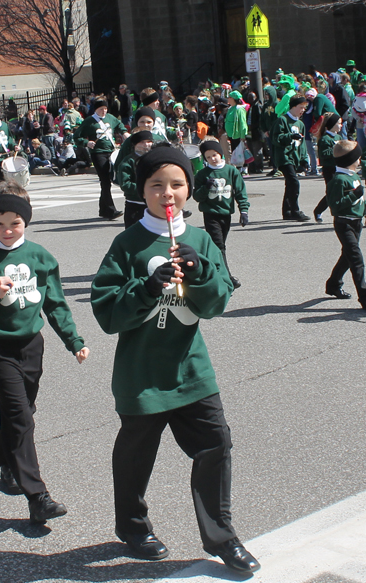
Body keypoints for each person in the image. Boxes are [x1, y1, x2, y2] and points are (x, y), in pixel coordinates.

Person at [90, 145, 260, 575]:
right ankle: (132, 525)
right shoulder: (127, 243)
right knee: (136, 454)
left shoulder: (201, 238)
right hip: (141, 373)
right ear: (142, 190)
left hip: (190, 367)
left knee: (215, 444)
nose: (168, 194)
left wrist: (201, 272)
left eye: (177, 184)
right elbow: (107, 312)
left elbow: (217, 302)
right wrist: (146, 288)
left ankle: (222, 537)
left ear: (190, 188)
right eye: (156, 186)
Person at [0, 181, 90, 523]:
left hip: (33, 346)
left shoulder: (41, 258)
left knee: (23, 410)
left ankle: (6, 463)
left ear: (26, 221)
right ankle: (38, 496)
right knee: (20, 415)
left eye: (14, 223)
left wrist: (74, 341)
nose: (6, 230)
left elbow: (56, 304)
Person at [325, 140, 366, 309]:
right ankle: (365, 296)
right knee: (356, 258)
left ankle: (333, 284)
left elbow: (359, 199)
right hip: (344, 223)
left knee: (347, 257)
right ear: (350, 160)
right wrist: (354, 195)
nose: (360, 160)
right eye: (358, 157)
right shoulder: (338, 180)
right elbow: (335, 205)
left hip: (357, 223)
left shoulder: (353, 176)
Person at [193, 140, 248, 289]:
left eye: (215, 155)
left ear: (220, 154)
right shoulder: (202, 174)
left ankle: (208, 270)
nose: (212, 159)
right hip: (210, 213)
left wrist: (243, 210)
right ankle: (227, 277)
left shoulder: (231, 171)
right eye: (208, 157)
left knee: (219, 245)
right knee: (219, 246)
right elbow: (197, 196)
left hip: (226, 213)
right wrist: (205, 188)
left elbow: (240, 191)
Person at [73, 97, 129, 220]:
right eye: (101, 109)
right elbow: (77, 137)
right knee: (105, 180)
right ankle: (110, 210)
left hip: (111, 151)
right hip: (98, 153)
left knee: (108, 180)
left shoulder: (110, 118)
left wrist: (125, 134)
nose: (104, 111)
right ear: (96, 109)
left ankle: (103, 209)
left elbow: (120, 126)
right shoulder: (89, 121)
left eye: (105, 109)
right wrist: (87, 143)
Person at [271, 94, 310, 221]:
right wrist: (290, 136)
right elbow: (276, 138)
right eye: (301, 107)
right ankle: (295, 210)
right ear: (293, 107)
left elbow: (302, 144)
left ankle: (287, 211)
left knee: (290, 184)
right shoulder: (282, 120)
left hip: (295, 157)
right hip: (284, 157)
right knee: (294, 182)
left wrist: (304, 159)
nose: (303, 110)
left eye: (304, 108)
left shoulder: (301, 124)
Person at [117, 129, 153, 228]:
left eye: (149, 142)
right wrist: (145, 189)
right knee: (133, 238)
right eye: (142, 142)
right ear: (135, 145)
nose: (146, 145)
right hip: (135, 205)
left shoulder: (155, 159)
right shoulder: (128, 161)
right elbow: (125, 184)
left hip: (153, 205)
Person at [313, 113, 342, 222]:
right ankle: (318, 211)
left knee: (339, 191)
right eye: (338, 123)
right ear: (331, 125)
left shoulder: (339, 137)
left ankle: (339, 212)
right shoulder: (325, 139)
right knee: (332, 192)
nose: (340, 126)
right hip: (329, 169)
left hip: (339, 168)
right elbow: (324, 153)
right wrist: (337, 150)